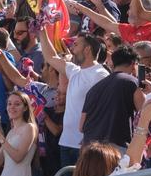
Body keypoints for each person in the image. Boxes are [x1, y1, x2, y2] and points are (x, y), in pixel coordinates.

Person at [42, 33, 107, 169]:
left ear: (87, 49)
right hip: (66, 142)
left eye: (76, 45)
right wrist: (42, 29)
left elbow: (102, 109)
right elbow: (50, 57)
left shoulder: (100, 74)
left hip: (85, 145)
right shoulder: (74, 70)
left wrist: (89, 140)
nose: (71, 48)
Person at [81, 45, 144, 148]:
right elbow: (145, 113)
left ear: (113, 64)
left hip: (89, 149)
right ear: (133, 64)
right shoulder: (132, 82)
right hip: (115, 149)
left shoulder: (93, 89)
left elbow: (81, 126)